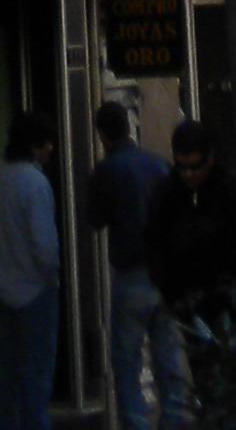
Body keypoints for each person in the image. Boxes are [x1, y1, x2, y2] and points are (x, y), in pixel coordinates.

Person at [88, 98, 181, 430]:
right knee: (166, 353)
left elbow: (94, 218)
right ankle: (173, 417)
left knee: (127, 360)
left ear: (102, 134)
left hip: (130, 274)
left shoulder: (108, 171)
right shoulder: (158, 165)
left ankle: (136, 422)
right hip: (164, 273)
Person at [145, 117, 236, 402]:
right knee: (204, 374)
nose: (188, 174)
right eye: (182, 166)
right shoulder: (168, 193)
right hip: (188, 302)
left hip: (225, 298)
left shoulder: (226, 190)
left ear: (209, 159)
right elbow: (154, 242)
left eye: (195, 167)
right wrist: (173, 295)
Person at [0, 109, 63, 430]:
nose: (50, 149)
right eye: (45, 143)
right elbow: (44, 245)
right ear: (33, 146)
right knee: (36, 371)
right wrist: (52, 275)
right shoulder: (35, 183)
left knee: (8, 368)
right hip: (35, 288)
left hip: (2, 285)